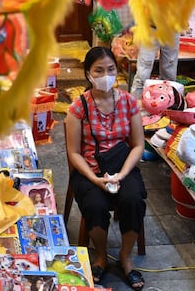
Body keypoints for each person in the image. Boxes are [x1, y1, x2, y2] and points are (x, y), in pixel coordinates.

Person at [65, 46, 146, 290]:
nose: (106, 75)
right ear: (88, 74)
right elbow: (74, 153)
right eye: (98, 70)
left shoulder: (129, 103)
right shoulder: (78, 108)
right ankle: (100, 255)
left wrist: (122, 174)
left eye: (110, 69)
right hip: (90, 170)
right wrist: (94, 178)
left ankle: (125, 256)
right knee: (94, 205)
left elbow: (138, 145)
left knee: (133, 199)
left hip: (123, 166)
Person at [129, 32, 180, 100]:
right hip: (151, 28)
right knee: (142, 75)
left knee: (169, 76)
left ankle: (168, 104)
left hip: (172, 28)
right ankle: (135, 105)